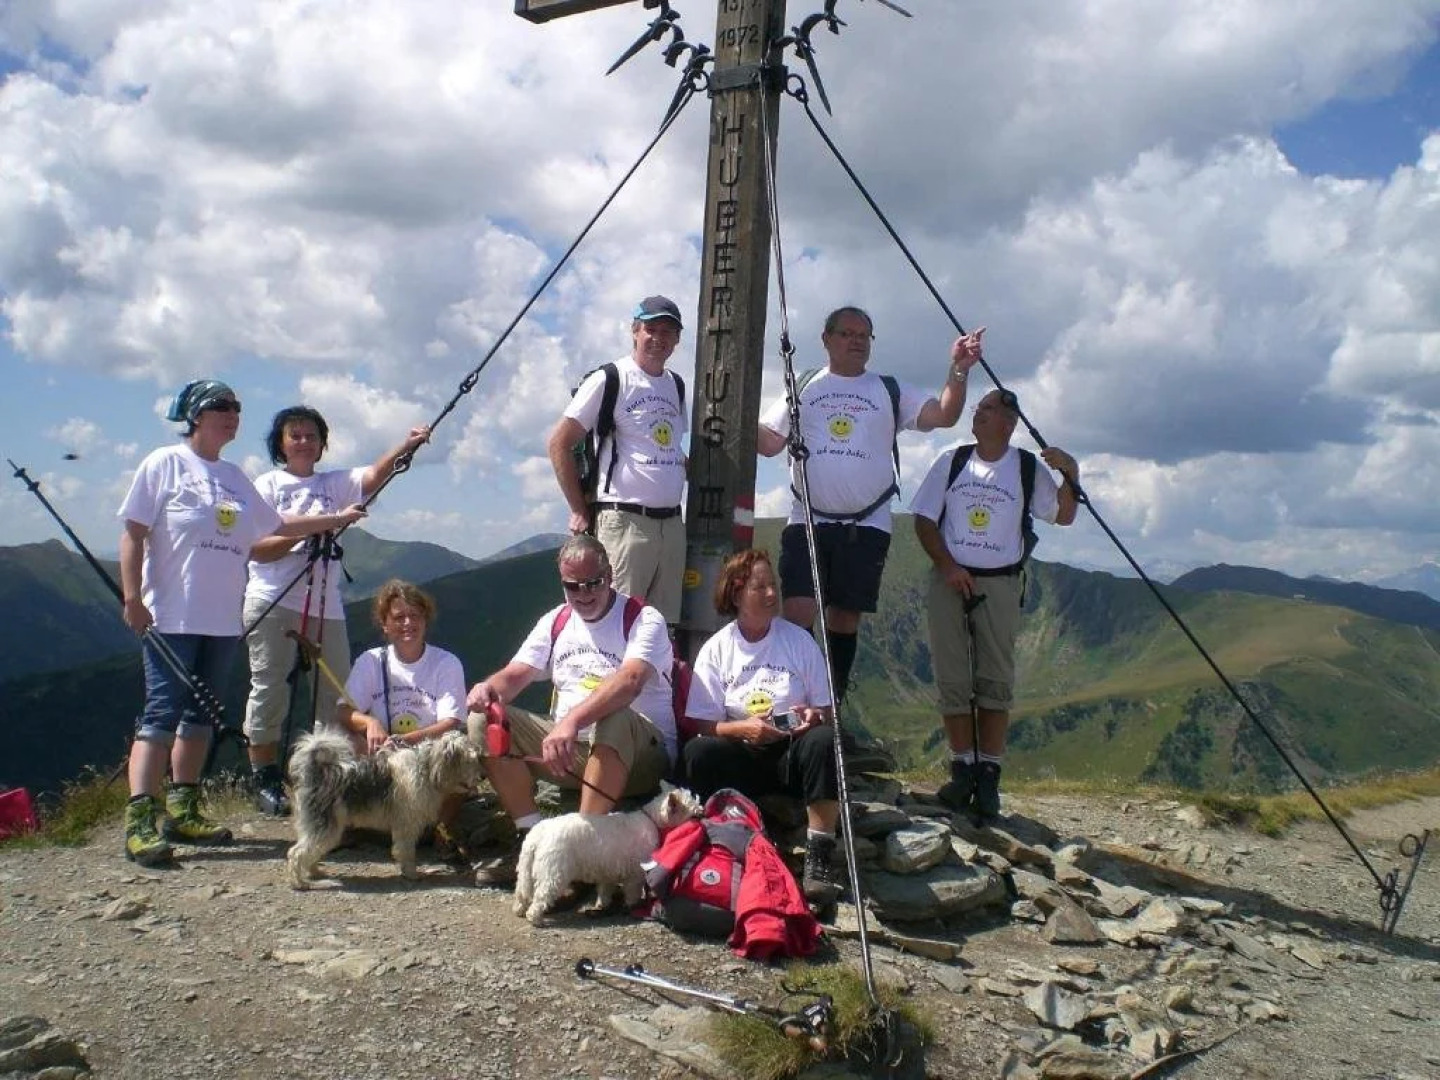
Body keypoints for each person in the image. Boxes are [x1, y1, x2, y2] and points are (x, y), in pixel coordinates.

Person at [117, 379, 366, 866]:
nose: (231, 414)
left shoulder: (233, 476)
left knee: (202, 714)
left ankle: (183, 806)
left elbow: (275, 525)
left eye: (236, 407)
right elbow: (133, 533)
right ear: (193, 415)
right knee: (161, 713)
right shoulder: (163, 464)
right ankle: (140, 819)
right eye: (220, 407)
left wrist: (336, 518)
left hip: (222, 618)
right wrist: (132, 597)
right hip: (171, 614)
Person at [757, 307, 983, 702]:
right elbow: (770, 442)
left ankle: (833, 703)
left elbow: (944, 415)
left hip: (867, 524)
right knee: (797, 613)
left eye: (865, 335)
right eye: (847, 333)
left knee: (845, 617)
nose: (857, 341)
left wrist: (959, 369)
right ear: (826, 339)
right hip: (806, 519)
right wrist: (732, 410)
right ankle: (795, 701)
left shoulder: (889, 389)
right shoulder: (804, 385)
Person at [242, 407, 431, 815]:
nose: (304, 442)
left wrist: (407, 443)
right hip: (274, 596)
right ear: (281, 442)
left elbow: (374, 476)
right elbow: (256, 546)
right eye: (296, 435)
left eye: (312, 435)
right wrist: (319, 526)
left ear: (323, 443)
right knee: (271, 685)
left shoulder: (334, 483)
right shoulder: (267, 484)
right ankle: (265, 774)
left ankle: (327, 776)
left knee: (337, 694)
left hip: (325, 603)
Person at [465, 533, 676, 886]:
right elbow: (517, 674)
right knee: (482, 718)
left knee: (615, 716)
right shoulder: (557, 621)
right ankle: (531, 842)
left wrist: (571, 721)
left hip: (638, 755)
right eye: (573, 586)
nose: (584, 594)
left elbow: (630, 681)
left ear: (609, 575)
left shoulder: (643, 618)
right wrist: (488, 689)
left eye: (593, 582)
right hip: (572, 751)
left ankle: (579, 858)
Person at [910, 389, 1080, 819]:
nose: (976, 414)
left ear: (1008, 422)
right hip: (951, 580)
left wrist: (1071, 473)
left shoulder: (1026, 467)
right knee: (953, 677)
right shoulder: (951, 459)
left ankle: (988, 779)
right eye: (978, 408)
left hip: (1000, 584)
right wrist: (947, 566)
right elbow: (924, 519)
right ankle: (962, 770)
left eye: (985, 410)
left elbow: (1062, 515)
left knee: (995, 681)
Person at [680, 549, 842, 904]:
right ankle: (716, 839)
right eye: (760, 587)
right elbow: (701, 723)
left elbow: (827, 710)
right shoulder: (717, 648)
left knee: (824, 740)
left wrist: (814, 716)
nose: (772, 594)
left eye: (774, 586)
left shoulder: (798, 640)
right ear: (737, 594)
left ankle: (819, 852)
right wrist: (743, 730)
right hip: (744, 752)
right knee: (698, 752)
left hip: (791, 750)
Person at [547, 295, 688, 625]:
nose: (659, 338)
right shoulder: (610, 378)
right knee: (616, 625)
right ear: (635, 331)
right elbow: (558, 443)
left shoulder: (676, 385)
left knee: (660, 629)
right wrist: (579, 509)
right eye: (651, 329)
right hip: (624, 522)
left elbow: (667, 448)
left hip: (671, 525)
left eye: (668, 331)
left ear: (678, 339)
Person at [336, 580, 467, 755]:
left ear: (425, 620)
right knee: (341, 737)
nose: (408, 623)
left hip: (431, 754)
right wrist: (370, 723)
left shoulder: (446, 663)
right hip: (383, 754)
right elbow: (344, 711)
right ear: (385, 624)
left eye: (415, 616)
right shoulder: (370, 661)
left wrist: (404, 742)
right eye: (399, 618)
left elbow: (451, 723)